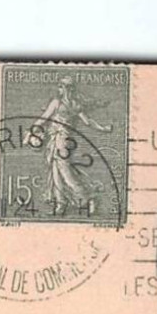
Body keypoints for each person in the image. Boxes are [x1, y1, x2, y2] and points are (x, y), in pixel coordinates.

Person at [27, 76, 114, 217]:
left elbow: (45, 118)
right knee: (55, 172)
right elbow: (46, 118)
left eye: (61, 87)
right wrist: (103, 128)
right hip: (57, 140)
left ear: (67, 89)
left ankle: (89, 198)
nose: (59, 89)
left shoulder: (66, 104)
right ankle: (60, 203)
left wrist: (103, 129)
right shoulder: (67, 103)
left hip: (63, 140)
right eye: (60, 87)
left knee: (66, 173)